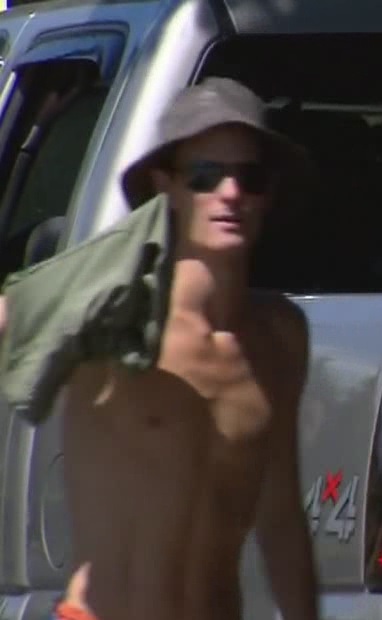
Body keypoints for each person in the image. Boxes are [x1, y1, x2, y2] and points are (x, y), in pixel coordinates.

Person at [1, 78, 319, 620]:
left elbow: (281, 520)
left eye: (250, 176)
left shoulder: (279, 337)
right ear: (165, 185)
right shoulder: (110, 314)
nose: (230, 193)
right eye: (204, 175)